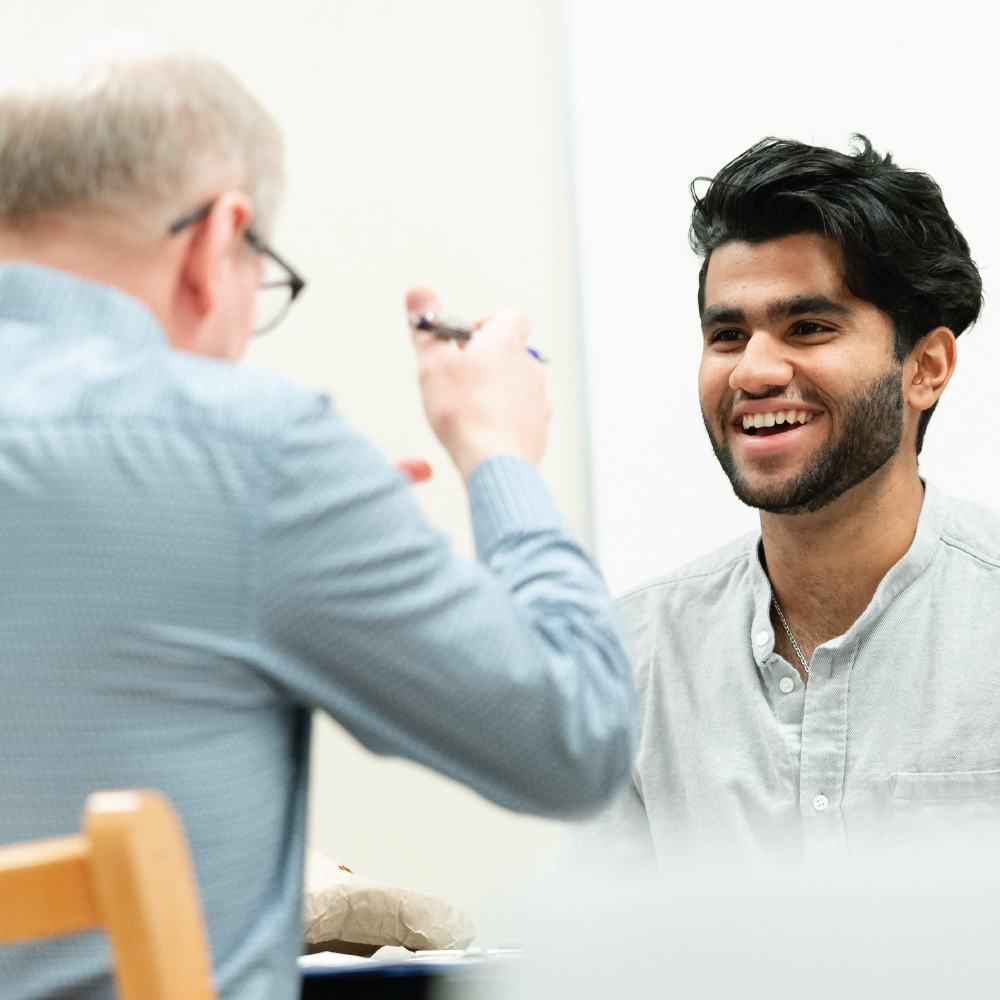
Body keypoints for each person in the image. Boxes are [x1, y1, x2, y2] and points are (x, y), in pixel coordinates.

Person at [0, 31, 636, 1000]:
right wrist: (497, 450)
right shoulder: (255, 456)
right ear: (220, 241)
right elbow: (576, 741)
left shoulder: (246, 475)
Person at [563, 135, 997, 870]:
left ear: (926, 367)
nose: (753, 372)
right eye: (728, 335)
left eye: (809, 327)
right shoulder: (631, 660)